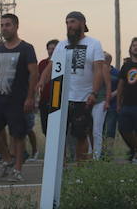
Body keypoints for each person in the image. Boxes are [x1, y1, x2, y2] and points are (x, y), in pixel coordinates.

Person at [41, 12, 107, 162]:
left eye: (72, 22)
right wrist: (42, 80)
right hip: (61, 96)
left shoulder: (94, 44)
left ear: (82, 23)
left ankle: (80, 169)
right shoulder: (62, 44)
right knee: (57, 135)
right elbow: (51, 65)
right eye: (67, 23)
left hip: (82, 98)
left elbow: (98, 71)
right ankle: (60, 167)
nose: (69, 26)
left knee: (80, 135)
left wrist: (94, 93)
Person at [0, 14, 38, 181]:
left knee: (18, 135)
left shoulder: (26, 48)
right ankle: (7, 159)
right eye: (2, 25)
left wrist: (30, 98)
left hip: (17, 99)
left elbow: (34, 74)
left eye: (7, 25)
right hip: (0, 98)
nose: (4, 28)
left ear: (16, 26)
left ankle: (17, 170)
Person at [36, 39, 59, 138]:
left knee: (57, 128)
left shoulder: (61, 64)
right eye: (49, 48)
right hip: (44, 99)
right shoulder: (42, 63)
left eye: (54, 48)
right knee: (45, 128)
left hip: (57, 97)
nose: (51, 51)